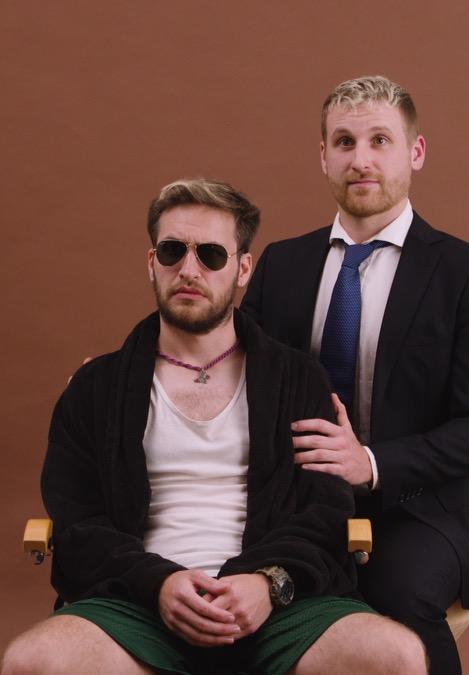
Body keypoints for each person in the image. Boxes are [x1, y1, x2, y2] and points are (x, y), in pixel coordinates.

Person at [2, 179, 427, 675]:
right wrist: (158, 583)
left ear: (243, 268)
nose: (189, 269)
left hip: (276, 602)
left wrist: (267, 583)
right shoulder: (96, 388)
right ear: (151, 262)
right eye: (172, 251)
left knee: (397, 656)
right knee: (31, 662)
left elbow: (324, 510)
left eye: (210, 254)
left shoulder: (297, 380)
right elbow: (78, 522)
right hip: (134, 600)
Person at [241, 76, 469, 675]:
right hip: (292, 508)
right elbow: (233, 377)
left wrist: (369, 462)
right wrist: (131, 380)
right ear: (323, 156)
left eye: (380, 141)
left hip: (421, 511)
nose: (360, 160)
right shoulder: (282, 264)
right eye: (344, 142)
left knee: (397, 602)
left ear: (415, 152)